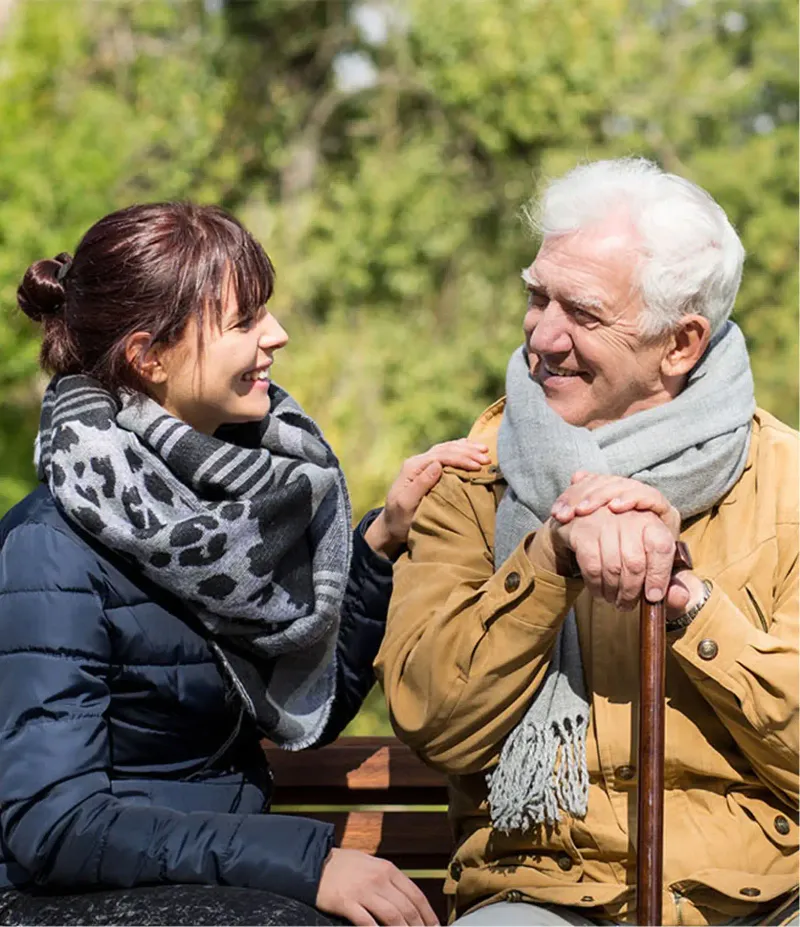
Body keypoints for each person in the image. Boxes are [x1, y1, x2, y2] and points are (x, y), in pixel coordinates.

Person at [0, 202, 491, 927]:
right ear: (148, 356)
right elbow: (55, 822)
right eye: (244, 321)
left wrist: (384, 539)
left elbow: (301, 710)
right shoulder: (49, 547)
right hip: (68, 900)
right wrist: (306, 860)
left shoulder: (226, 516)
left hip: (218, 883)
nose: (277, 335)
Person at [376, 158, 798, 926]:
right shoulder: (471, 481)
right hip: (540, 893)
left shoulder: (789, 483)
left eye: (584, 312)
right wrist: (547, 559)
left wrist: (691, 609)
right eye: (537, 296)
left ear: (680, 343)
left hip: (765, 898)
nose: (544, 335)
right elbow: (435, 722)